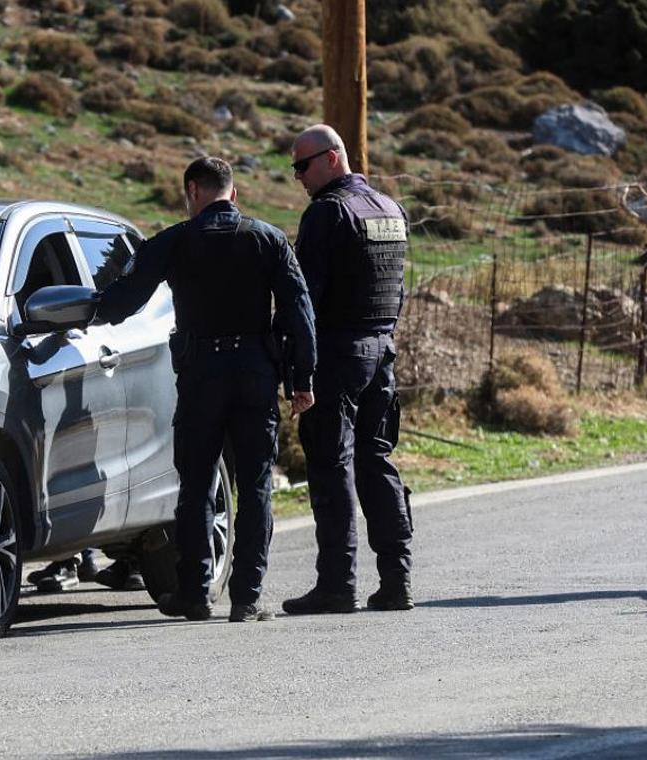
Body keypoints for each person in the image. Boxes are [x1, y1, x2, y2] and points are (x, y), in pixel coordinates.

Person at [98, 157, 317, 622]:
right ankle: (247, 597)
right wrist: (303, 379)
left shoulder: (175, 241)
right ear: (232, 194)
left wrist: (88, 307)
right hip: (257, 371)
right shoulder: (268, 239)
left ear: (192, 191)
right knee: (255, 484)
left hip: (202, 374)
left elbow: (124, 301)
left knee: (197, 484)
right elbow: (300, 311)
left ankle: (195, 593)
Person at [282, 124, 415, 615]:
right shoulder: (389, 209)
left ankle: (338, 582)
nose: (298, 176)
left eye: (303, 164)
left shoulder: (327, 213)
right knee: (376, 459)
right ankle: (396, 578)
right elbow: (398, 289)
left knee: (331, 463)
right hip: (382, 350)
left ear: (333, 158)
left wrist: (298, 368)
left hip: (339, 354)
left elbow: (305, 300)